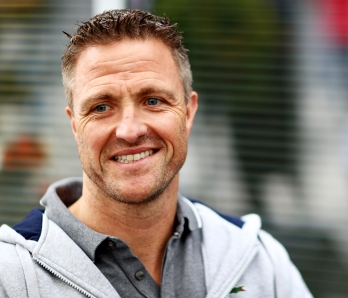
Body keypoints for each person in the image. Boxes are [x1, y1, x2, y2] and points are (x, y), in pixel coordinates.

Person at [0, 9, 311, 298]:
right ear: (75, 125)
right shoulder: (11, 277)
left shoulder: (259, 260)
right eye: (102, 107)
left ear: (188, 113)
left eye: (153, 101)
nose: (130, 130)